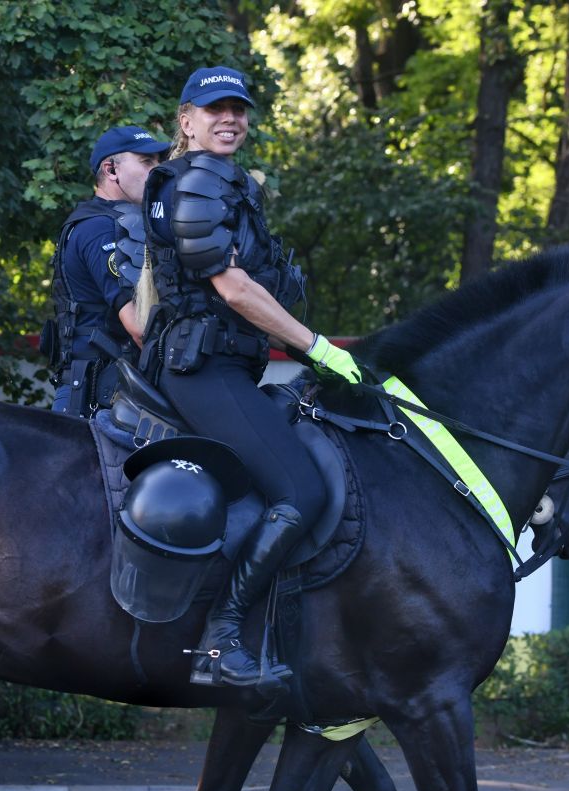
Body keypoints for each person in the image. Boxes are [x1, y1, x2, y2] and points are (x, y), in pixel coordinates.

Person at [137, 67, 362, 690]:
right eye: (214, 110)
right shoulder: (202, 178)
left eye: (238, 109)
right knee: (303, 492)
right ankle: (223, 637)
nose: (229, 119)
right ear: (185, 120)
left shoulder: (208, 179)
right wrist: (317, 346)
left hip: (218, 363)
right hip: (202, 368)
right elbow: (233, 289)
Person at [46, 125, 170, 416]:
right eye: (146, 162)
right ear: (111, 169)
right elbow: (140, 327)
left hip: (109, 394)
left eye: (159, 162)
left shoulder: (122, 223)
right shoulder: (103, 228)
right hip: (97, 401)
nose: (158, 171)